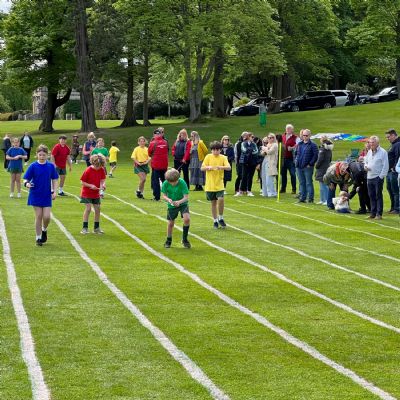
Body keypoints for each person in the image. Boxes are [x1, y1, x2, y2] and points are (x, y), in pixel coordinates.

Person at [23, 144, 59, 246]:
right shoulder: (33, 166)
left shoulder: (51, 166)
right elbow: (25, 179)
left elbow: (55, 179)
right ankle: (38, 237)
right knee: (38, 215)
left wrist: (55, 191)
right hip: (35, 194)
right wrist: (27, 184)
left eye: (44, 155)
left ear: (47, 155)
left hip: (46, 194)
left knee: (47, 217)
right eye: (40, 155)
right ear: (36, 155)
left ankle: (44, 229)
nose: (42, 157)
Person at [201, 141, 231, 228]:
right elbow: (202, 168)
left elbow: (228, 167)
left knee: (221, 199)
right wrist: (208, 167)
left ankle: (221, 217)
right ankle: (215, 220)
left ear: (220, 150)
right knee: (213, 203)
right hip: (210, 185)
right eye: (213, 150)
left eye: (217, 150)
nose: (215, 151)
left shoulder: (223, 158)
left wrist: (221, 167)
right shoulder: (208, 157)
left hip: (219, 184)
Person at [161, 168, 191, 249]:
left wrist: (179, 202)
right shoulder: (165, 183)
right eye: (170, 182)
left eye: (174, 182)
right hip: (172, 205)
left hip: (182, 204)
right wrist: (168, 200)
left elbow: (186, 197)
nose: (172, 184)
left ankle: (184, 240)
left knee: (187, 219)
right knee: (170, 223)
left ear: (178, 179)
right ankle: (168, 240)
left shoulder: (182, 183)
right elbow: (164, 195)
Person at [80, 154, 106, 235]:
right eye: (97, 166)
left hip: (95, 193)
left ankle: (96, 228)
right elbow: (82, 182)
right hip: (86, 193)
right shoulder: (88, 170)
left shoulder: (101, 169)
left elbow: (102, 180)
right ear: (93, 163)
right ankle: (84, 228)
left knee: (98, 209)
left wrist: (103, 186)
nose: (98, 167)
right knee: (88, 209)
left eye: (100, 166)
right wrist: (91, 185)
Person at [364, 135, 389, 220]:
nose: (371, 144)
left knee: (378, 195)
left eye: (373, 142)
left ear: (377, 143)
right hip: (369, 177)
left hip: (377, 177)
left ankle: (379, 214)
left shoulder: (383, 152)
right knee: (371, 196)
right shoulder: (369, 152)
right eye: (370, 142)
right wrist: (366, 166)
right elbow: (366, 161)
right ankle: (373, 213)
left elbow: (386, 166)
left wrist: (381, 177)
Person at [295, 129, 318, 203]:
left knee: (308, 183)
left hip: (307, 167)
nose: (304, 137)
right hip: (299, 166)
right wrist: (296, 161)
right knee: (301, 183)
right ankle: (302, 198)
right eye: (303, 135)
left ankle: (310, 198)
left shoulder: (313, 145)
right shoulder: (299, 144)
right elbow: (296, 154)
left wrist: (310, 164)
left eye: (306, 135)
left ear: (309, 136)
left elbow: (315, 156)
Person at [148, 128, 169, 201]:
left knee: (155, 181)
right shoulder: (165, 142)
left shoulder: (152, 143)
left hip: (156, 165)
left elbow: (149, 153)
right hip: (164, 164)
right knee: (165, 180)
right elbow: (167, 151)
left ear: (154, 135)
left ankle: (157, 197)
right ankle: (168, 195)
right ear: (160, 134)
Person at [236, 132, 259, 196]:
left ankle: (249, 191)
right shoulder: (243, 143)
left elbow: (256, 151)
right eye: (252, 137)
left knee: (250, 177)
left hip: (252, 162)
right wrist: (250, 151)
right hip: (245, 162)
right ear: (248, 137)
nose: (253, 138)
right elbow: (244, 150)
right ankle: (240, 191)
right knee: (244, 176)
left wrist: (249, 151)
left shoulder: (254, 144)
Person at [315, 135, 333, 205]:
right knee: (323, 184)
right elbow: (330, 159)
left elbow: (320, 159)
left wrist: (316, 166)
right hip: (326, 167)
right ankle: (322, 199)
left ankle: (325, 199)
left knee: (323, 185)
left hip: (322, 168)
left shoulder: (322, 149)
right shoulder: (329, 149)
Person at [385, 128, 400, 214]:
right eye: (387, 137)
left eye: (389, 137)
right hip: (389, 171)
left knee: (395, 190)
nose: (388, 139)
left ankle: (397, 208)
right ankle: (393, 207)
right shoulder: (392, 144)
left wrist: (394, 168)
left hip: (394, 172)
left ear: (394, 135)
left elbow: (398, 157)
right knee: (390, 188)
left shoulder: (397, 144)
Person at [280, 124, 298, 194]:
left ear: (292, 130)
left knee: (292, 174)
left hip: (291, 159)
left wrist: (293, 147)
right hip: (283, 158)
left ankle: (294, 189)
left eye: (290, 128)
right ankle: (283, 188)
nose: (288, 130)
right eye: (287, 128)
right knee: (283, 174)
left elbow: (298, 144)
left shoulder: (295, 137)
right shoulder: (282, 136)